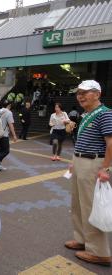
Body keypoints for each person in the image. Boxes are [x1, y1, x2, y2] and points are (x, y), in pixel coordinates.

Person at [66, 80, 112, 266]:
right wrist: (74, 161)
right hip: (81, 162)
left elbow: (111, 144)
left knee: (91, 207)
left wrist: (106, 169)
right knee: (77, 204)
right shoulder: (88, 114)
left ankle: (99, 252)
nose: (80, 96)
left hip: (94, 163)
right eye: (78, 93)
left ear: (97, 94)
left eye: (85, 92)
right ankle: (82, 239)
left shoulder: (105, 114)